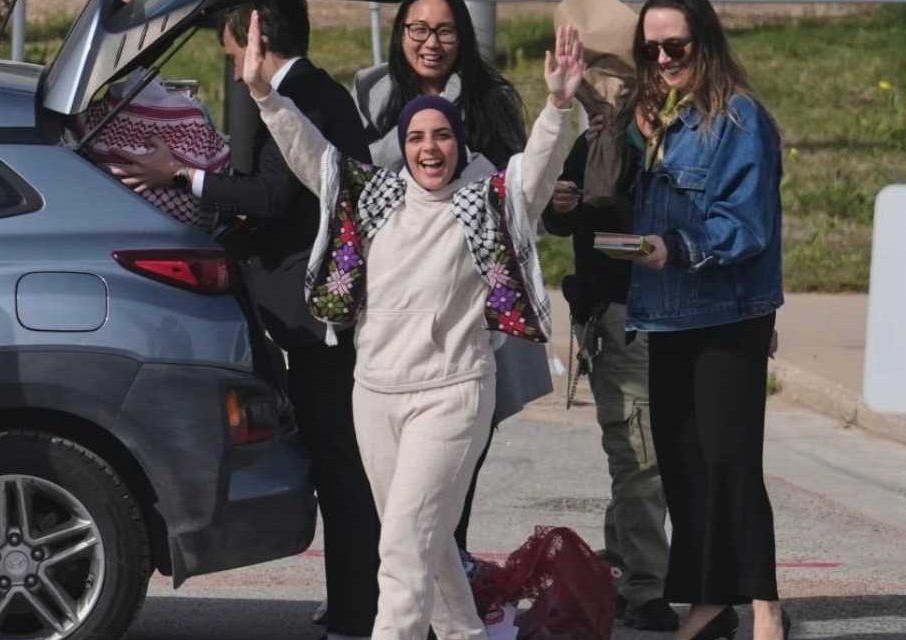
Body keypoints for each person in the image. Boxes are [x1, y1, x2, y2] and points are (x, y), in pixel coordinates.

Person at [243, 10, 587, 638]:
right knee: (425, 549)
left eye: (443, 137)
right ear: (402, 149)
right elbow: (312, 158)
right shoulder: (374, 198)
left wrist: (559, 107)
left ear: (460, 145)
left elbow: (535, 173)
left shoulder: (485, 202)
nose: (430, 148)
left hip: (451, 396)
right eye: (417, 138)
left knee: (401, 551)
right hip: (375, 396)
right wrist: (265, 95)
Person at [110, 3, 381, 639]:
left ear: (256, 41)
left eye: (234, 55)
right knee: (334, 462)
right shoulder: (313, 90)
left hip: (316, 318)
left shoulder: (302, 97)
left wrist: (180, 173)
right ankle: (351, 603)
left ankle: (357, 612)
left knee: (340, 465)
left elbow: (271, 196)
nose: (234, 70)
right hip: (306, 312)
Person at [351, 0, 554, 556]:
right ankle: (416, 598)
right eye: (418, 29)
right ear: (400, 34)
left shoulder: (492, 99)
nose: (430, 42)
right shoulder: (369, 92)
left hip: (466, 325)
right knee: (395, 492)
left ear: (462, 36)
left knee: (446, 486)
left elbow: (521, 191)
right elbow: (350, 180)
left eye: (444, 30)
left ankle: (438, 591)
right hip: (391, 322)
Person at [624, 0, 789, 639]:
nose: (663, 60)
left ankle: (766, 604)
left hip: (726, 311)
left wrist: (680, 247)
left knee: (730, 461)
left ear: (707, 44)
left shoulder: (739, 118)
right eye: (651, 50)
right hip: (667, 314)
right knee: (683, 462)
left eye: (677, 47)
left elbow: (747, 224)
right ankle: (708, 597)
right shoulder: (659, 119)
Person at [542, 133, 677, 631]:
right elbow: (575, 229)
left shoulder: (705, 130)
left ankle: (622, 562)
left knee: (665, 455)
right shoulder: (602, 140)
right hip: (623, 317)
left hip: (694, 315)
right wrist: (559, 205)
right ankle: (645, 586)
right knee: (639, 455)